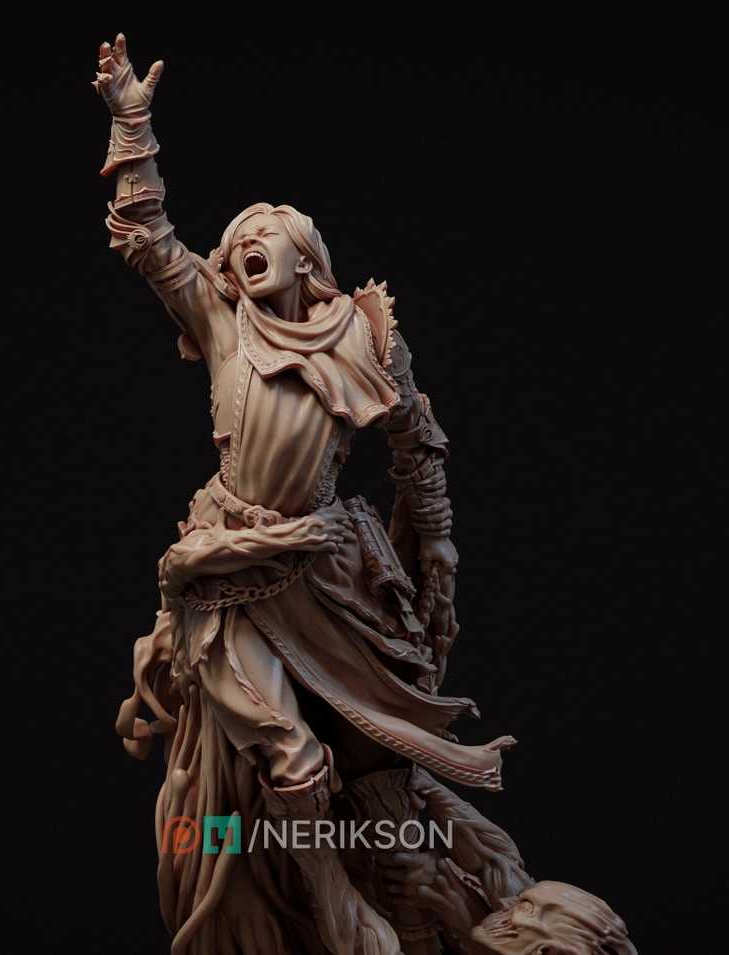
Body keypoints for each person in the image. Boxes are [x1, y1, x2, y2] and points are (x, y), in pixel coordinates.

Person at [97, 34, 515, 955]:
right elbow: (148, 238)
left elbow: (417, 439)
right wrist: (132, 122)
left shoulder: (365, 337)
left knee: (373, 753)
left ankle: (419, 897)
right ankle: (330, 910)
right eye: (237, 238)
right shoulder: (223, 322)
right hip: (227, 573)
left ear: (305, 260)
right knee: (283, 753)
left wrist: (435, 540)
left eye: (265, 236)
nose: (245, 245)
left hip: (327, 573)